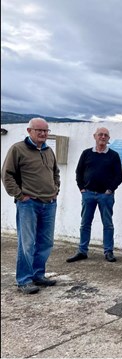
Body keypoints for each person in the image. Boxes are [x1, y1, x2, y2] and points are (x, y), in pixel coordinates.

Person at [1, 117, 60, 294]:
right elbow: (7, 175)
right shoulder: (17, 149)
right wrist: (19, 195)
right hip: (29, 204)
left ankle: (38, 275)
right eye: (39, 130)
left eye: (46, 131)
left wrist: (56, 188)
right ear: (29, 131)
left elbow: (55, 172)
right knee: (27, 243)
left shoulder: (49, 151)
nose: (43, 133)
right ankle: (24, 280)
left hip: (49, 203)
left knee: (46, 242)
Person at [67, 127, 122, 263]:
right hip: (88, 194)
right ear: (95, 136)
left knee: (108, 224)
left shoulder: (114, 155)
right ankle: (82, 251)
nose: (103, 137)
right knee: (85, 224)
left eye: (106, 135)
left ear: (109, 138)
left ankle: (108, 251)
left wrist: (110, 190)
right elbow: (78, 172)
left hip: (106, 196)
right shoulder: (86, 153)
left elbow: (118, 176)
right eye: (100, 135)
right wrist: (82, 189)